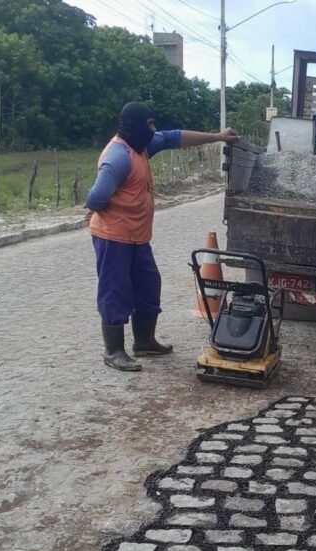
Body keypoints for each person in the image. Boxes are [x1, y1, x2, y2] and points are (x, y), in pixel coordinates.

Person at [86, 102, 238, 372]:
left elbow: (174, 137)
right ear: (133, 126)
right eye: (149, 124)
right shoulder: (119, 156)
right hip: (114, 238)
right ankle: (113, 351)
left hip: (137, 237)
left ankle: (144, 342)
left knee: (148, 285)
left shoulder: (141, 145)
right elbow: (96, 198)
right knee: (116, 290)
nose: (154, 129)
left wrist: (218, 137)